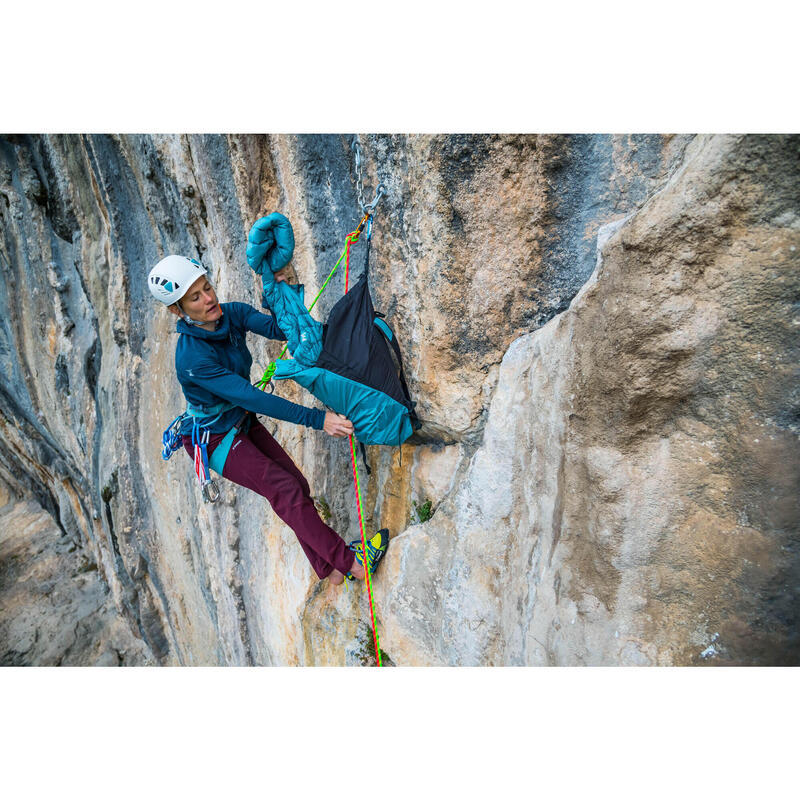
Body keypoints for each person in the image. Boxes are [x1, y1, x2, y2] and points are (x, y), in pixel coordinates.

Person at [148, 254, 388, 585]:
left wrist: (274, 291)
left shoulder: (231, 314)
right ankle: (351, 563)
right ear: (178, 310)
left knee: (297, 486)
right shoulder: (192, 359)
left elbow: (280, 329)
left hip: (238, 421)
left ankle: (329, 569)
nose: (209, 298)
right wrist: (318, 419)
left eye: (207, 287)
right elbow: (252, 397)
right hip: (216, 439)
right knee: (285, 489)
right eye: (195, 297)